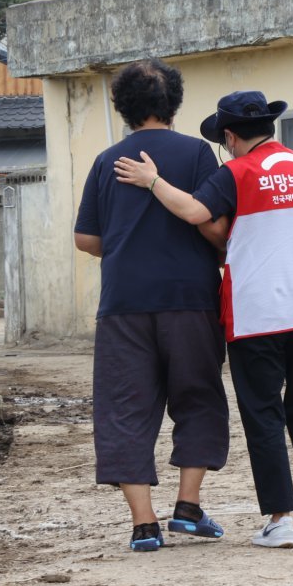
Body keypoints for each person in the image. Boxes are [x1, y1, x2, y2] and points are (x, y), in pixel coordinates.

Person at [114, 90, 293, 550]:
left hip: (258, 313)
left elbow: (198, 213)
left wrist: (153, 181)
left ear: (231, 136)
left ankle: (280, 520)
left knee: (263, 416)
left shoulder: (235, 172)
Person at [73, 59, 230, 552]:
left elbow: (86, 239)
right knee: (198, 398)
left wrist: (124, 244)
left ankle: (144, 525)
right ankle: (187, 507)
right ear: (175, 103)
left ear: (122, 106)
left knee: (124, 410)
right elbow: (216, 227)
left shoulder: (107, 160)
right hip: (190, 300)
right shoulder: (199, 154)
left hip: (123, 304)